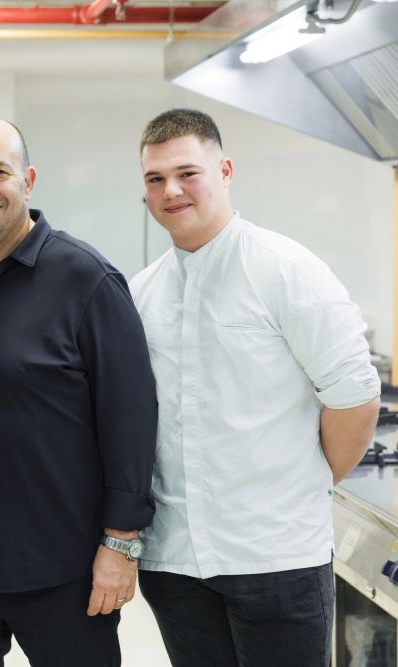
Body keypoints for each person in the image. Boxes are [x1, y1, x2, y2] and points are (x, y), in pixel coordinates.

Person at [130, 108, 382, 667]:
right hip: (175, 562)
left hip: (276, 560)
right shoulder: (141, 293)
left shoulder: (286, 270)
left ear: (224, 171)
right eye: (155, 178)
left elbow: (355, 399)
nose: (171, 191)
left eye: (187, 173)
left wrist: (300, 485)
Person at [0, 116, 157, 667]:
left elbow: (131, 419)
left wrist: (121, 545)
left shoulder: (87, 279)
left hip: (59, 571)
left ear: (29, 180)